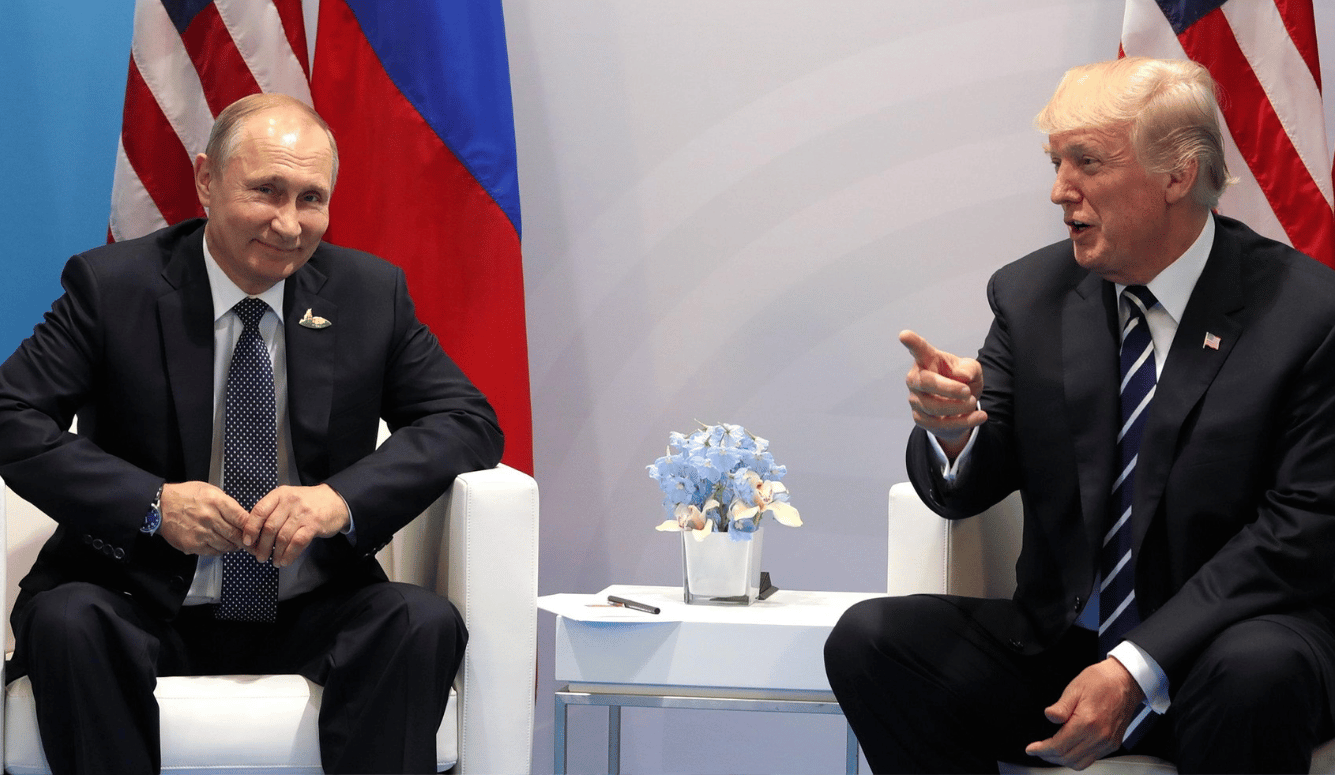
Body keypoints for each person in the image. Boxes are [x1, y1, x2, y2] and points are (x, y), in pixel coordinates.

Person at [825, 57, 1335, 773]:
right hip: (1063, 645)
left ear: (1176, 175)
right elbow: (970, 479)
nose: (1059, 190)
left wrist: (1136, 666)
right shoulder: (1031, 294)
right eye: (1055, 161)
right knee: (871, 637)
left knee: (1259, 670)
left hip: (1225, 642)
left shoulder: (1306, 314)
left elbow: (1299, 533)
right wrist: (949, 432)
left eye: (1085, 162)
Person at [0, 93, 504, 774]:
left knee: (420, 621)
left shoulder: (367, 293)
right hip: (137, 597)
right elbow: (11, 415)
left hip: (307, 602)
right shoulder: (111, 286)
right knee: (67, 621)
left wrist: (339, 499)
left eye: (310, 198)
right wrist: (153, 504)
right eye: (266, 191)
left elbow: (467, 420)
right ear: (207, 180)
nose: (289, 223)